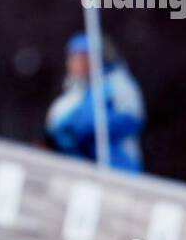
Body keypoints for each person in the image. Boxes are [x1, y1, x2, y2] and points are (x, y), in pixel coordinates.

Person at [45, 32, 145, 171]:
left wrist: (89, 126)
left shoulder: (118, 85)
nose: (80, 64)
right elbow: (54, 134)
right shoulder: (65, 102)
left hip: (119, 170)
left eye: (85, 58)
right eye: (76, 58)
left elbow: (132, 119)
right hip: (76, 171)